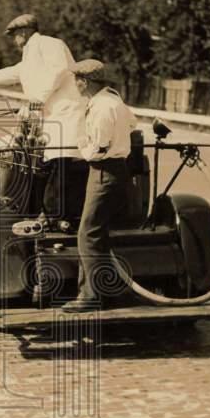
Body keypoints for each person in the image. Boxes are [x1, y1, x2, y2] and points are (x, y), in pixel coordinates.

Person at [61, 59, 139, 312]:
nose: (75, 85)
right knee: (99, 234)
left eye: (76, 80)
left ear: (84, 82)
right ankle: (107, 291)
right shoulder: (115, 101)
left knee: (87, 234)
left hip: (104, 172)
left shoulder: (102, 107)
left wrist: (82, 146)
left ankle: (90, 296)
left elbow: (99, 148)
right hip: (118, 171)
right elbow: (132, 124)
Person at [0, 13, 85, 158]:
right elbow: (10, 73)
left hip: (65, 114)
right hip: (48, 117)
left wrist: (39, 98)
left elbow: (59, 69)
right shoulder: (29, 55)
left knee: (59, 160)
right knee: (29, 158)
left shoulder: (49, 43)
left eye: (15, 35)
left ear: (24, 32)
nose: (13, 40)